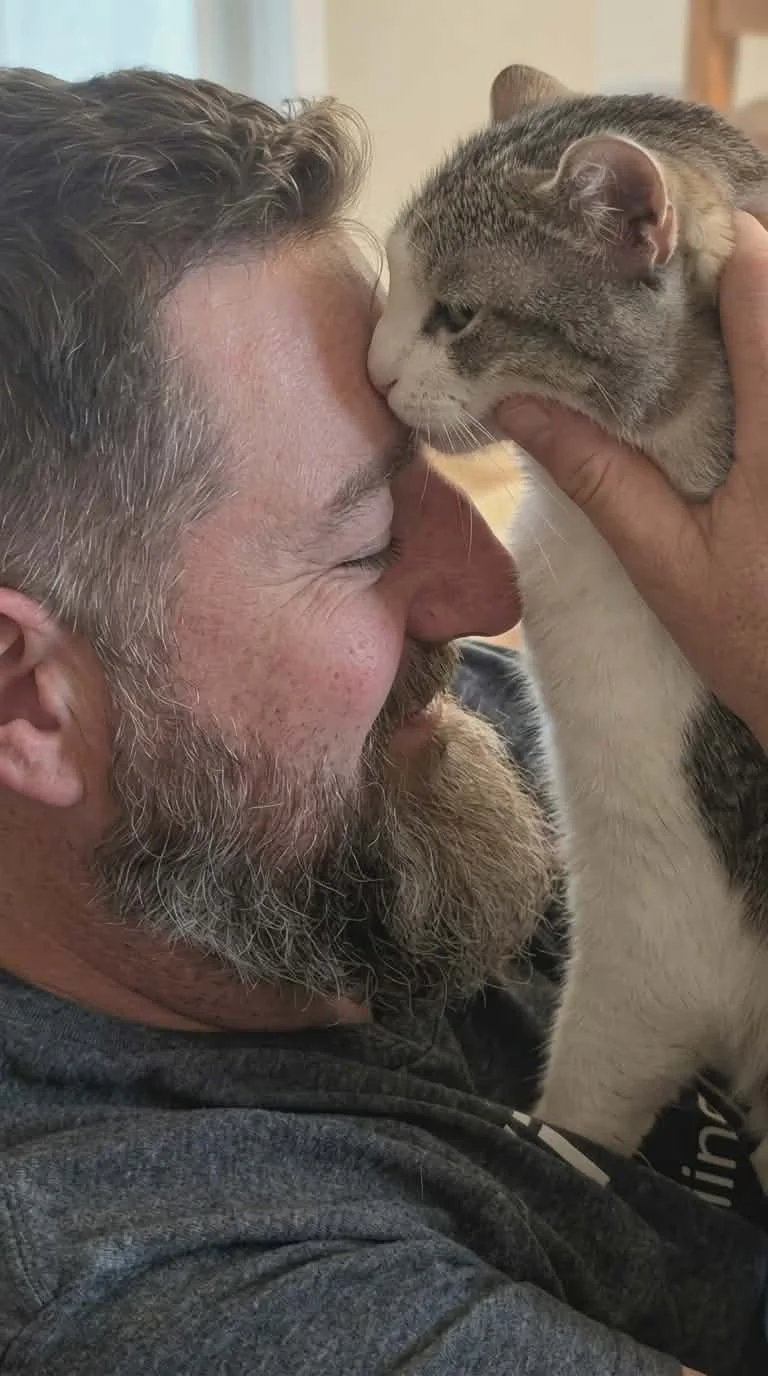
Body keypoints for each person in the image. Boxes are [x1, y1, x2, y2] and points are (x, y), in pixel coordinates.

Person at [0, 66, 763, 1376]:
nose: (486, 594)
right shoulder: (200, 1284)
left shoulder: (418, 761)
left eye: (442, 475)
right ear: (28, 698)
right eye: (362, 545)